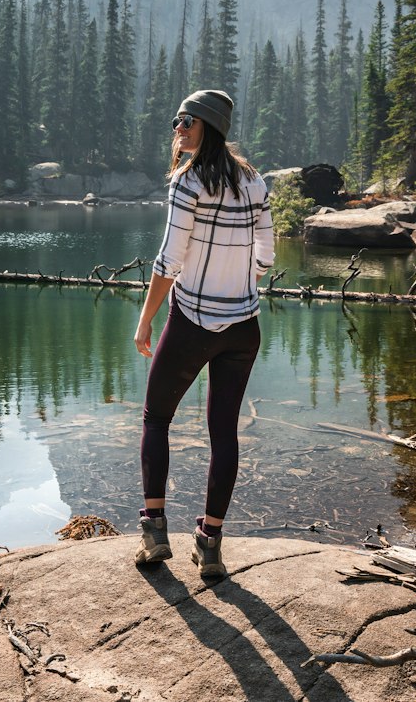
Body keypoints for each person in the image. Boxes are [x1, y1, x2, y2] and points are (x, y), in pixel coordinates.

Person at [133, 89, 273, 580]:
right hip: (243, 327)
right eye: (176, 119)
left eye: (186, 120)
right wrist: (238, 283)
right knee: (223, 433)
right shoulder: (254, 182)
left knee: (155, 419)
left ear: (207, 127)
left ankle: (154, 530)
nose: (177, 127)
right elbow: (267, 256)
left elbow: (169, 261)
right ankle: (209, 544)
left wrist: (146, 318)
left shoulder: (187, 182)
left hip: (192, 323)